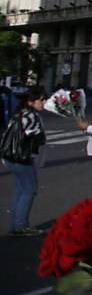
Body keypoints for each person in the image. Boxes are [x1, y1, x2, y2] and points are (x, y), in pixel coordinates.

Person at [1, 86, 46, 236]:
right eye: (40, 100)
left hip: (9, 157)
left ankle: (15, 224)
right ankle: (21, 226)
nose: (43, 103)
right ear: (30, 102)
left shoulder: (19, 113)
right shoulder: (31, 116)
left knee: (20, 189)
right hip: (21, 158)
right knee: (29, 189)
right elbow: (36, 137)